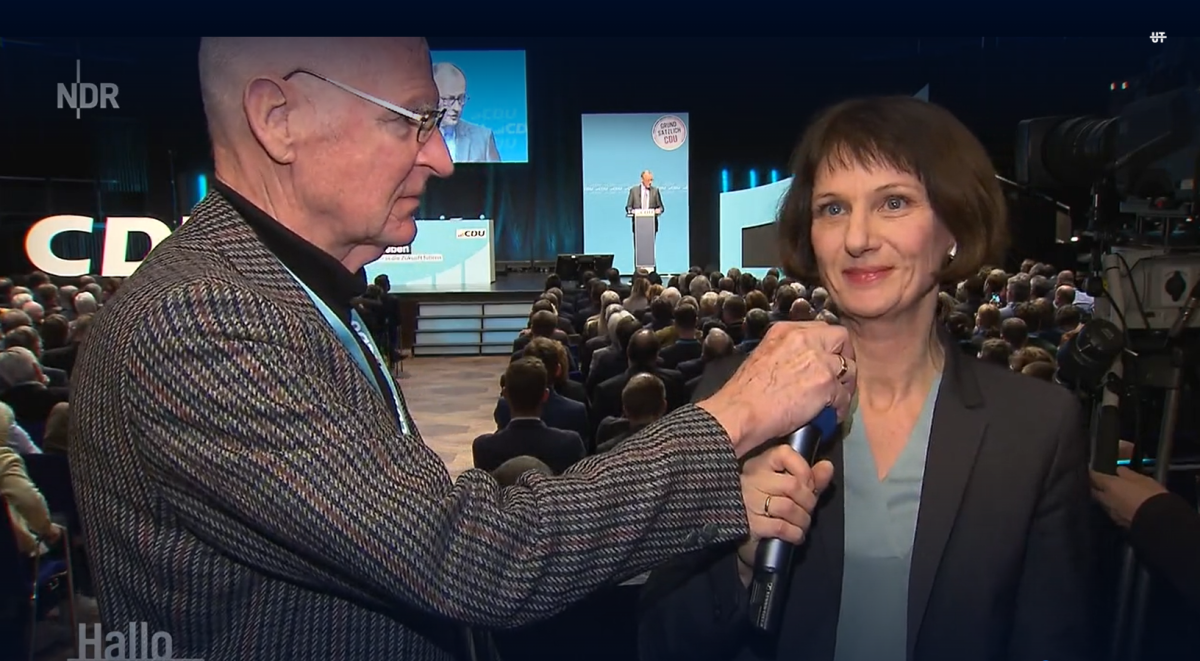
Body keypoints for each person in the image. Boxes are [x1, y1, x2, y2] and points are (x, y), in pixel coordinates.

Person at [68, 37, 856, 661]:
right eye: (410, 119)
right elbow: (469, 559)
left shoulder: (282, 292)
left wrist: (712, 499)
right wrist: (737, 415)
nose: (442, 157)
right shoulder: (202, 318)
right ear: (278, 118)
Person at [641, 96, 1092, 661]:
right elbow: (664, 639)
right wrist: (739, 562)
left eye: (894, 203)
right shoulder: (732, 399)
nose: (857, 238)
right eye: (832, 209)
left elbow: (1054, 640)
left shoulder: (1037, 428)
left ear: (953, 225)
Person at [432, 62, 500, 163]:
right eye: (449, 99)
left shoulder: (484, 138)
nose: (457, 107)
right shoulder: (413, 136)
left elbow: (497, 177)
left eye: (461, 98)